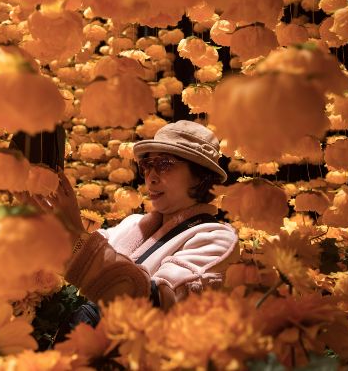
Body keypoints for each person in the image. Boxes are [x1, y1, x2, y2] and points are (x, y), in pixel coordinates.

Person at [27, 120, 239, 335]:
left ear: (200, 177)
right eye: (147, 165)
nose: (151, 177)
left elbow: (160, 304)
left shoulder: (216, 237)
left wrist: (72, 234)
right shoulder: (133, 223)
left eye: (165, 164)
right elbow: (74, 258)